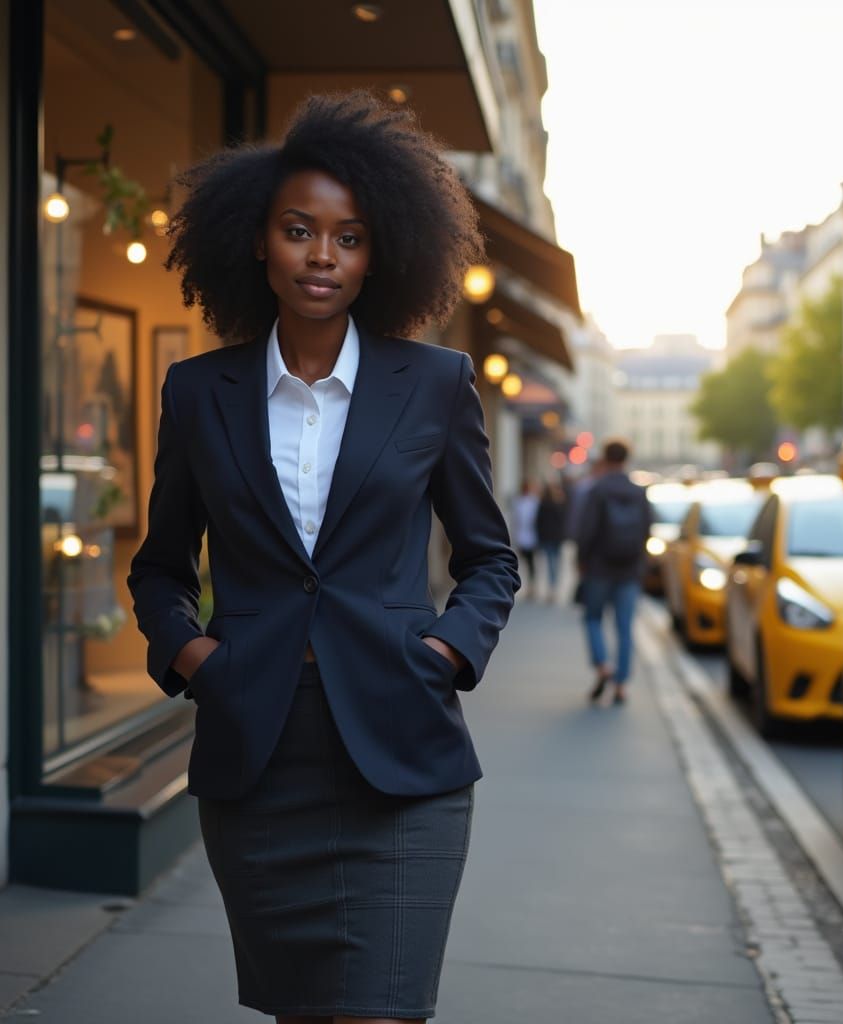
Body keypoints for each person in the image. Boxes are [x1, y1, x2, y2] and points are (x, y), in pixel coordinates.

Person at [126, 92, 520, 1024]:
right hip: (259, 753)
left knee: (381, 1010)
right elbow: (159, 567)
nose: (322, 256)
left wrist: (446, 653)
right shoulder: (196, 393)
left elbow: (490, 559)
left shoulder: (434, 384)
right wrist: (195, 659)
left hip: (402, 750)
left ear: (379, 253)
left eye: (348, 238)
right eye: (300, 231)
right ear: (258, 241)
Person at [575, 439, 652, 705]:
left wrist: (581, 560)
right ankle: (621, 685)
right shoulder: (638, 491)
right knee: (625, 627)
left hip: (598, 567)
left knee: (593, 618)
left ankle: (602, 665)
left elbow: (586, 530)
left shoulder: (597, 490)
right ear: (626, 459)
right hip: (629, 569)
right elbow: (647, 531)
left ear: (606, 459)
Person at [535, 480, 568, 601]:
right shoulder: (559, 504)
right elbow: (563, 522)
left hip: (548, 537)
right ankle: (553, 587)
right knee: (555, 562)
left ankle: (552, 587)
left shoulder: (543, 504)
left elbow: (538, 522)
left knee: (550, 562)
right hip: (555, 538)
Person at [511, 480, 540, 597]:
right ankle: (523, 585)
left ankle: (532, 586)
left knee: (531, 562)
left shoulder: (534, 502)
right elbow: (516, 520)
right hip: (522, 536)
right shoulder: (518, 502)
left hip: (532, 537)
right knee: (522, 562)